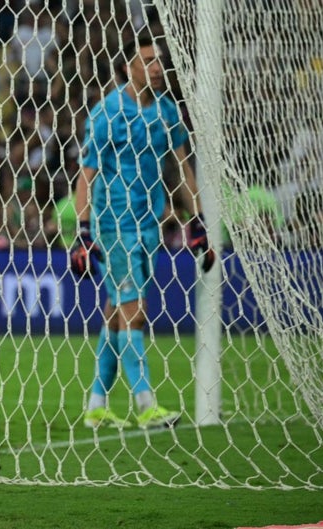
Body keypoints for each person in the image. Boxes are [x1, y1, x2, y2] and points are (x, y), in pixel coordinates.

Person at [70, 33, 214, 430]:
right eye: (147, 61)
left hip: (149, 226)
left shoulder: (167, 112)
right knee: (135, 312)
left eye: (159, 60)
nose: (157, 67)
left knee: (118, 313)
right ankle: (147, 406)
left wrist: (197, 221)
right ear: (127, 68)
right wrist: (83, 230)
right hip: (113, 226)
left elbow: (181, 167)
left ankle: (96, 405)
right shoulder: (107, 112)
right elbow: (86, 174)